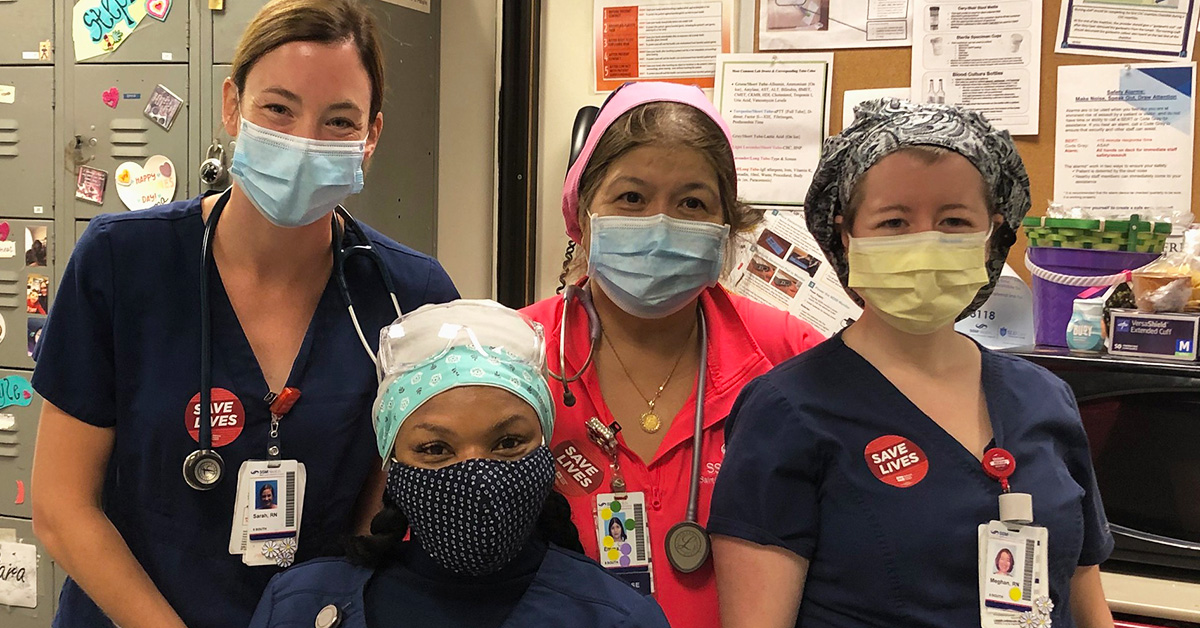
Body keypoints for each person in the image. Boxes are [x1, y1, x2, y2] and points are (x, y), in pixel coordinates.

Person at [29, 2, 459, 628]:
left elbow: (385, 512)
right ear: (231, 105)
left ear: (371, 138)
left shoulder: (408, 295)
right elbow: (61, 506)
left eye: (340, 121)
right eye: (278, 109)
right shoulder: (123, 262)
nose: (304, 141)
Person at [708, 99, 1114, 628]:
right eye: (894, 221)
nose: (927, 242)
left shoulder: (1044, 397)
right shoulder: (787, 411)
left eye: (954, 220)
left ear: (991, 234)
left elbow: (1082, 593)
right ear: (845, 237)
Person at [521, 81, 823, 628]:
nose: (660, 226)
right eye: (631, 197)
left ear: (726, 227)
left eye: (692, 203)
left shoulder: (792, 357)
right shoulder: (512, 356)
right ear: (580, 216)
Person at [248, 300, 671, 628]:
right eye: (435, 449)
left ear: (544, 450)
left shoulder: (616, 618)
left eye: (507, 443)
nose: (476, 473)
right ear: (391, 462)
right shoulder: (299, 605)